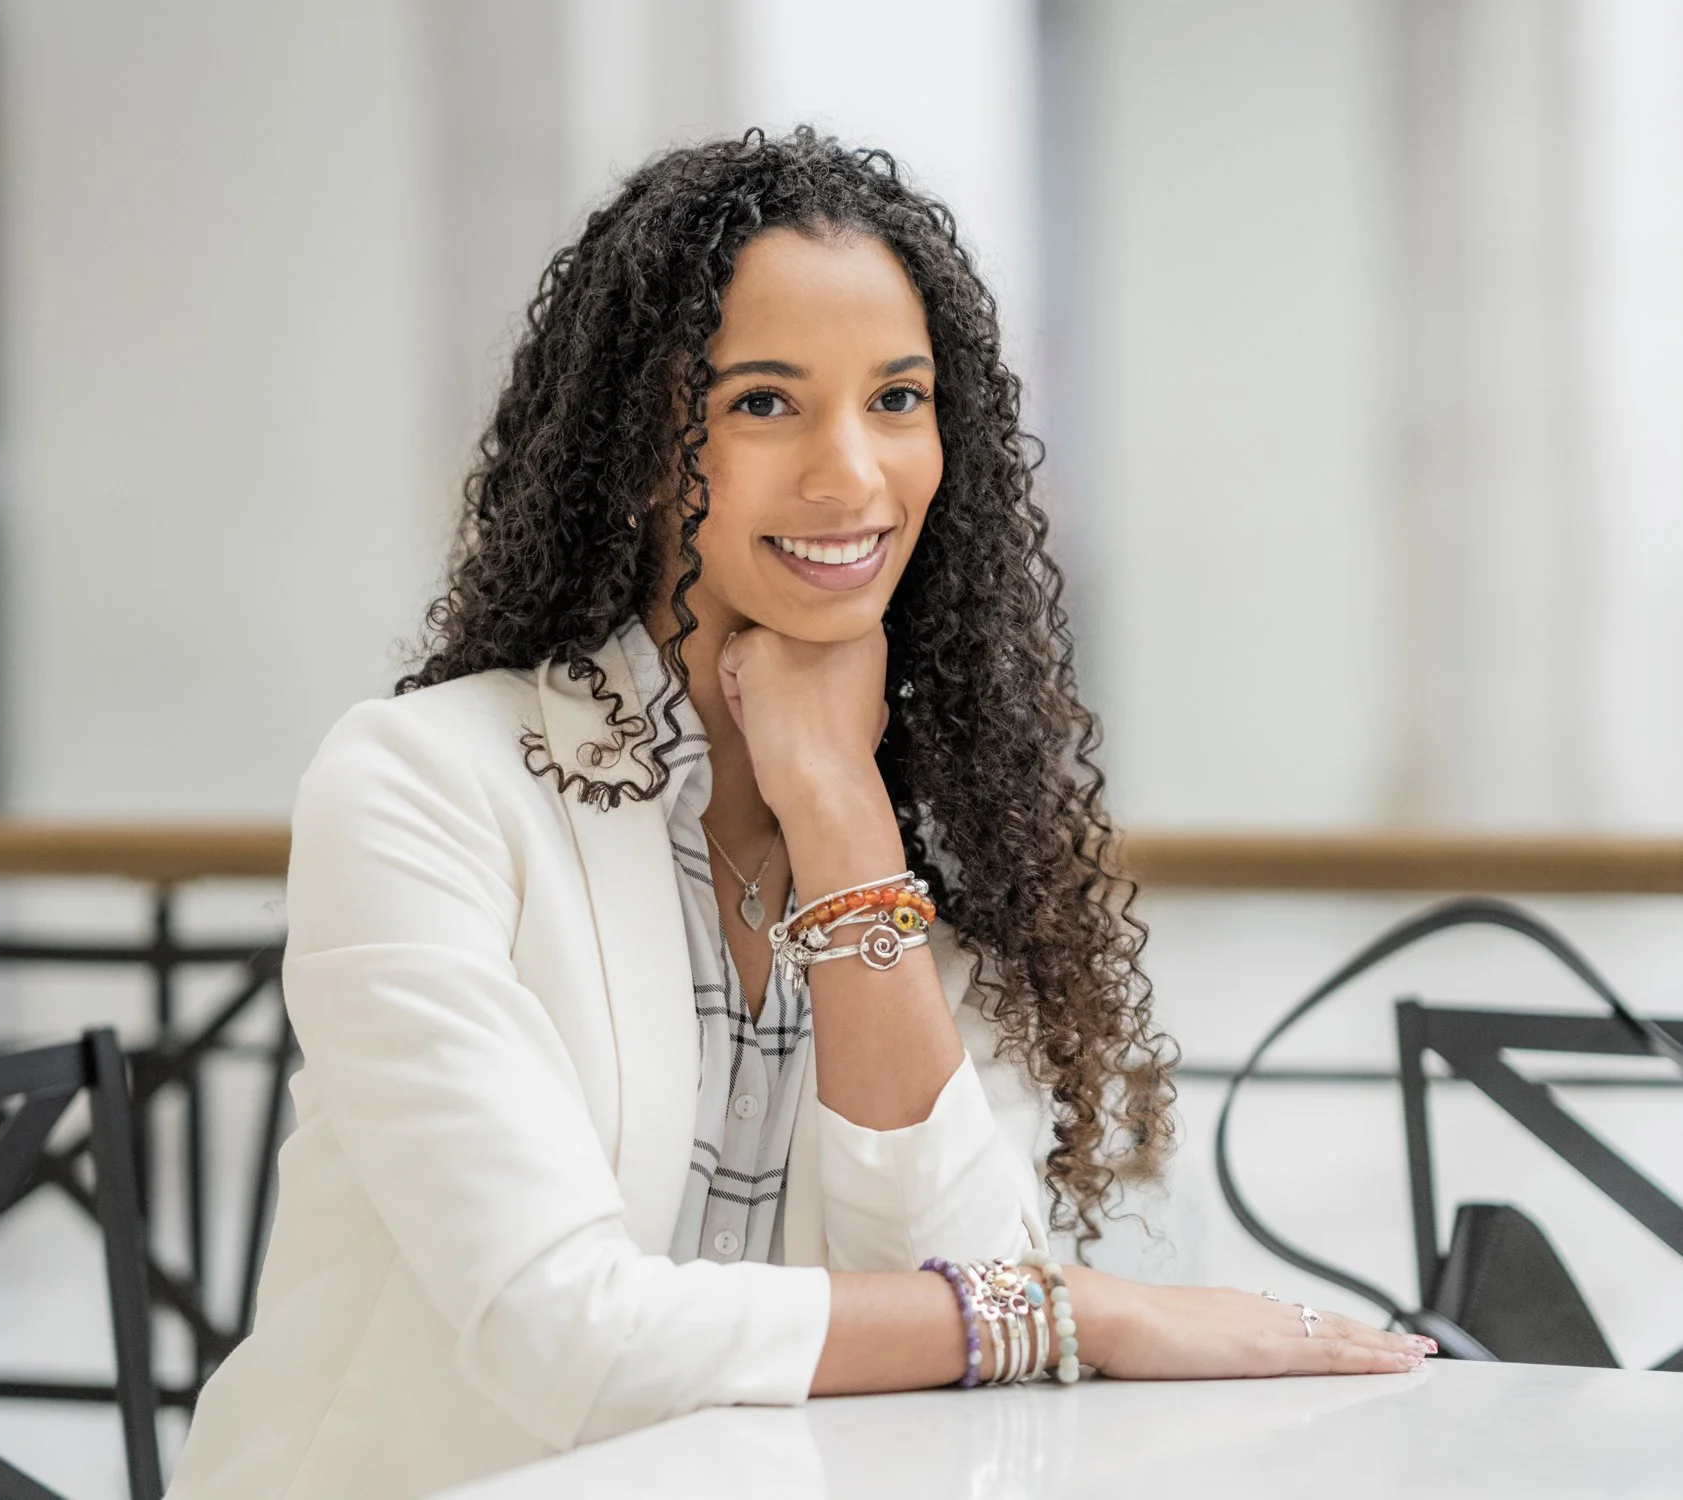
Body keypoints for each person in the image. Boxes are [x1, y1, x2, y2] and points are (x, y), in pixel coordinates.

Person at [167, 128, 1433, 1500]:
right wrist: (1077, 1311)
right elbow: (564, 1335)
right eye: (764, 404)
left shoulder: (927, 816)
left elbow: (944, 1271)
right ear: (639, 445)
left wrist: (836, 813)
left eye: (896, 399)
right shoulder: (423, 788)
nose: (852, 474)